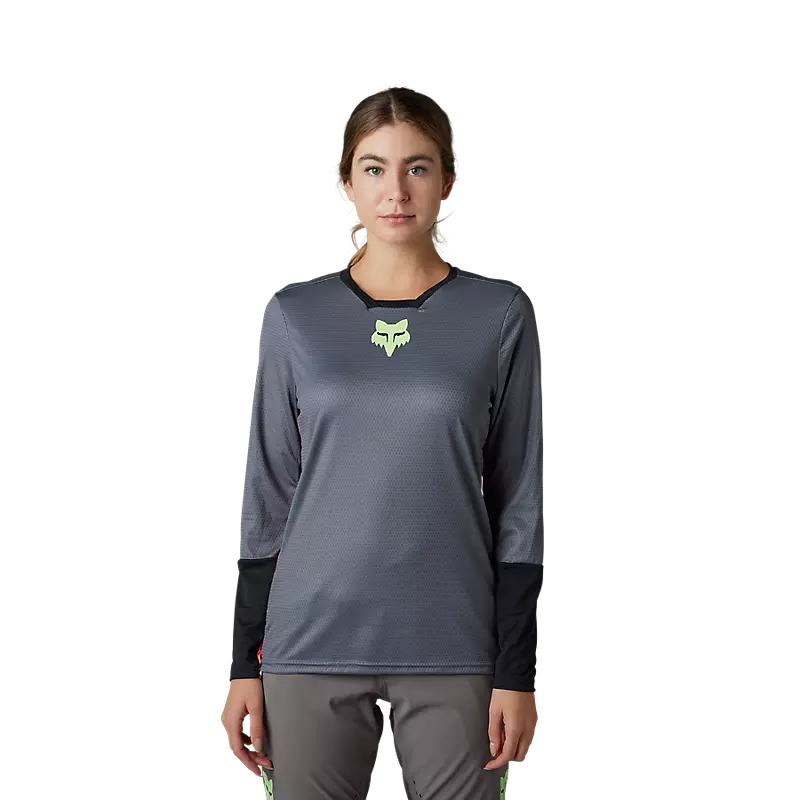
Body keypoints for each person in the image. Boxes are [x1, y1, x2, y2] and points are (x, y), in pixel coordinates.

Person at [220, 84, 544, 800]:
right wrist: (244, 663)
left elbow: (519, 501)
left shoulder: (499, 314)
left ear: (447, 181)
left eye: (417, 167)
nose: (395, 190)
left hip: (456, 642)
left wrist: (516, 669)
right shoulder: (294, 316)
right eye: (374, 168)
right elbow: (267, 496)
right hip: (308, 643)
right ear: (346, 183)